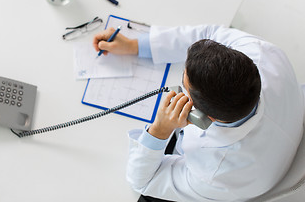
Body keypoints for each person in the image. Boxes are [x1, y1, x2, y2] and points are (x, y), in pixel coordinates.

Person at [92, 24, 305, 202]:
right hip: (287, 132)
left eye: (184, 84)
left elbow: (142, 180)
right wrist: (136, 45)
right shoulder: (263, 53)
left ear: (202, 116)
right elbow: (209, 34)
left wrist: (160, 130)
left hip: (251, 175)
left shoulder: (216, 173)